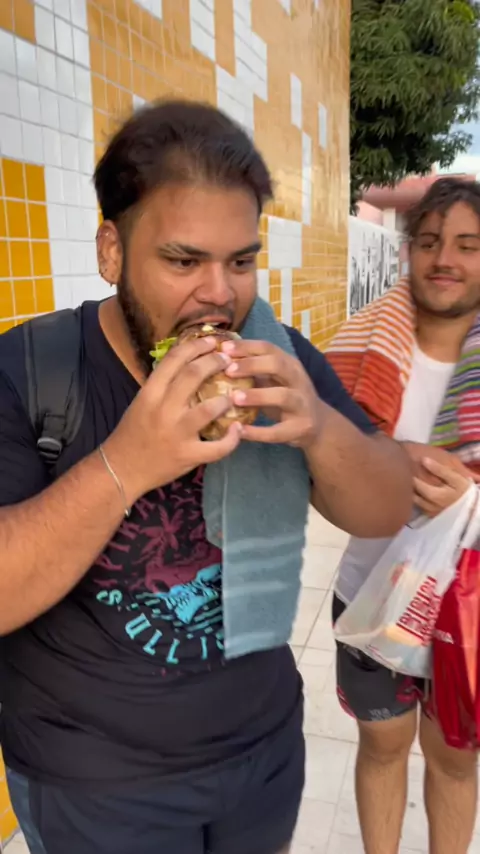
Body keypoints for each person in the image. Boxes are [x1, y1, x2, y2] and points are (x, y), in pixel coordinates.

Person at [0, 99, 412, 854]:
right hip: (94, 785)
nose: (220, 294)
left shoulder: (278, 355)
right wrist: (128, 462)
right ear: (112, 251)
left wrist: (319, 429)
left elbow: (387, 506)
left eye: (241, 262)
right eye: (184, 261)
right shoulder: (30, 371)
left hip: (262, 755)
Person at [327, 176, 480, 854]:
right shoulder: (362, 344)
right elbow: (320, 466)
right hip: (371, 594)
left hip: (469, 608)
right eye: (430, 241)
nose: (445, 259)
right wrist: (381, 464)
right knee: (383, 745)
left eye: (469, 245)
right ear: (408, 250)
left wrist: (469, 502)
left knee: (455, 758)